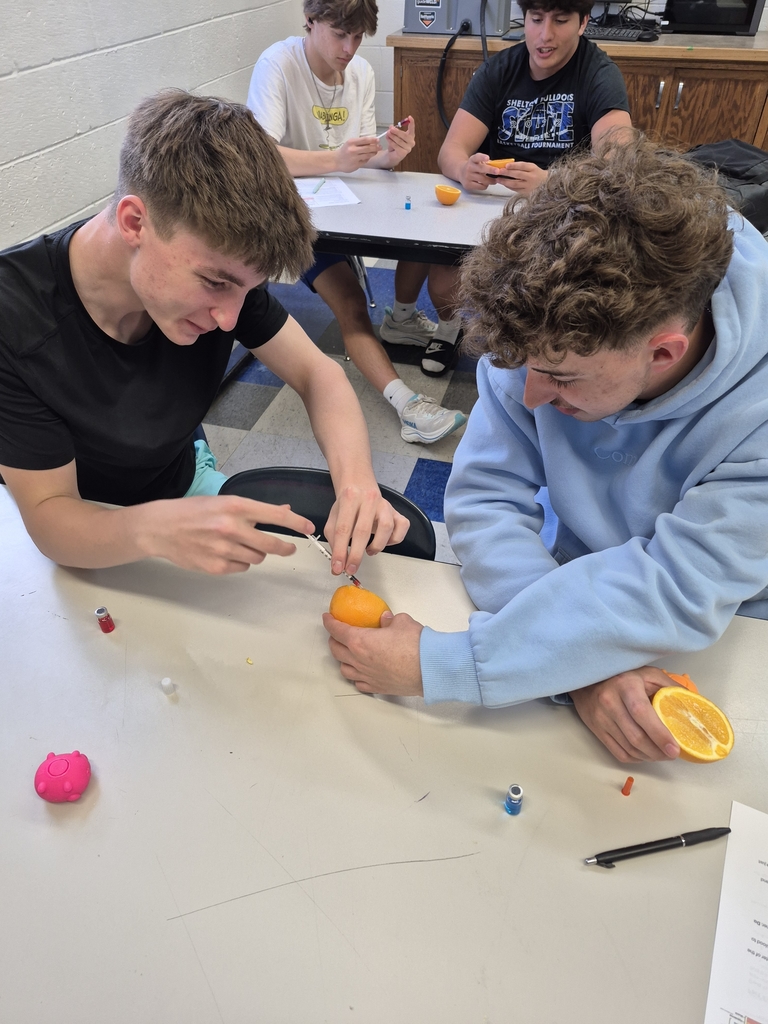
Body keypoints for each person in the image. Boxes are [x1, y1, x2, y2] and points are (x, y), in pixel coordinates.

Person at [323, 134, 768, 764]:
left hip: (730, 632)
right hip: (558, 592)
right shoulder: (536, 327)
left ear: (663, 352)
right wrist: (574, 664)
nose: (530, 397)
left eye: (561, 379)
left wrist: (452, 665)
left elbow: (677, 585)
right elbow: (485, 498)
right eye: (522, 369)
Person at [0, 90, 409, 578]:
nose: (230, 320)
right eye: (216, 283)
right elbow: (50, 515)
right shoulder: (16, 318)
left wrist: (358, 481)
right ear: (135, 223)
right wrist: (152, 529)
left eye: (246, 290)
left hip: (179, 480)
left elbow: (316, 372)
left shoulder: (224, 272)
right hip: (82, 526)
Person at [247, 0, 468, 444]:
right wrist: (337, 160)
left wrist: (389, 155)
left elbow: (363, 160)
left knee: (414, 235)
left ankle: (401, 321)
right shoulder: (278, 63)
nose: (349, 48)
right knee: (349, 303)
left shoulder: (361, 73)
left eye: (357, 37)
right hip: (294, 216)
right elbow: (261, 154)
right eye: (338, 34)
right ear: (309, 22)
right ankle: (409, 406)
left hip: (343, 208)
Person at [422, 0, 632, 378]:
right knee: (441, 277)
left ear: (584, 22)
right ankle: (451, 327)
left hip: (565, 209)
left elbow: (618, 162)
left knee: (546, 295)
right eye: (535, 20)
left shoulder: (599, 72)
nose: (544, 34)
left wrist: (551, 183)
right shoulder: (500, 69)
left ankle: (540, 349)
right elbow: (450, 152)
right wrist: (464, 168)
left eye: (561, 20)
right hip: (495, 207)